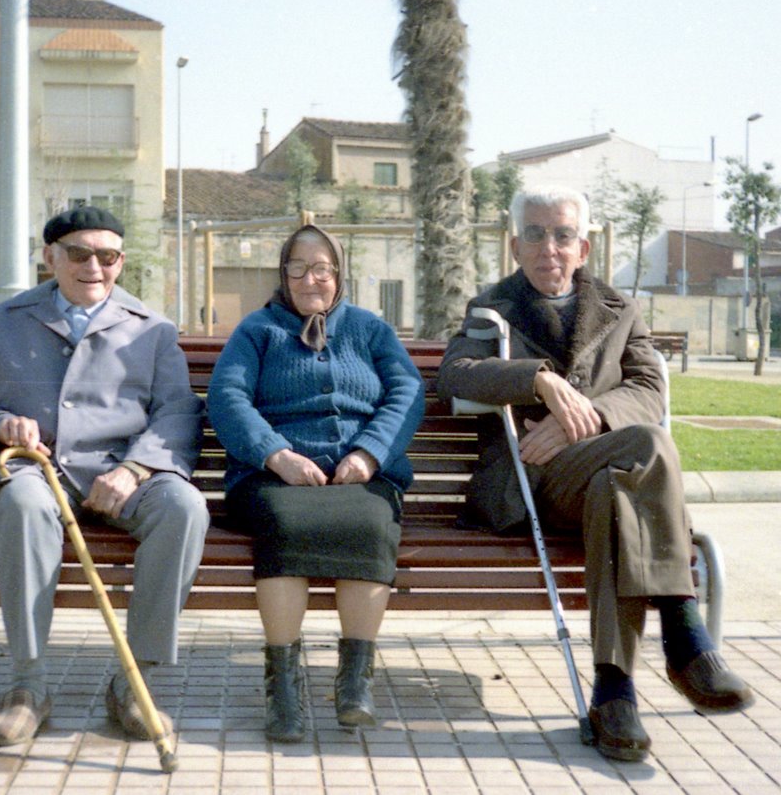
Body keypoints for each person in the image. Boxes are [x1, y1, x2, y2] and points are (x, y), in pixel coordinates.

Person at [436, 185, 754, 762]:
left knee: (619, 487)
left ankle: (614, 693)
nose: (549, 248)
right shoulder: (491, 309)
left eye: (562, 235)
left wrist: (590, 420)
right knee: (648, 448)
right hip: (530, 484)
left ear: (583, 248)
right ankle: (683, 632)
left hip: (601, 477)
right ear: (515, 244)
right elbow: (456, 372)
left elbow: (650, 387)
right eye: (535, 234)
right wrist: (539, 381)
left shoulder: (619, 309)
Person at [0, 206, 209, 746]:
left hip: (125, 472)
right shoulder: (4, 321)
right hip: (39, 471)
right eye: (79, 253)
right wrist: (0, 424)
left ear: (120, 261)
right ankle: (29, 686)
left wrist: (135, 469)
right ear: (50, 257)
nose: (95, 266)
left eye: (107, 256)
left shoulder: (153, 329)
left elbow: (179, 413)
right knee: (20, 505)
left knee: (185, 508)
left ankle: (136, 684)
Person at [206, 225, 425, 742]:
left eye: (322, 267)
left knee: (371, 522)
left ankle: (354, 683)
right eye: (298, 268)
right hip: (272, 477)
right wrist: (276, 455)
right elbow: (228, 398)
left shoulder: (370, 330)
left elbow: (406, 391)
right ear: (283, 275)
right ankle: (283, 688)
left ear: (339, 274)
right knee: (284, 524)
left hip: (361, 475)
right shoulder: (258, 331)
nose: (311, 279)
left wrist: (370, 453)